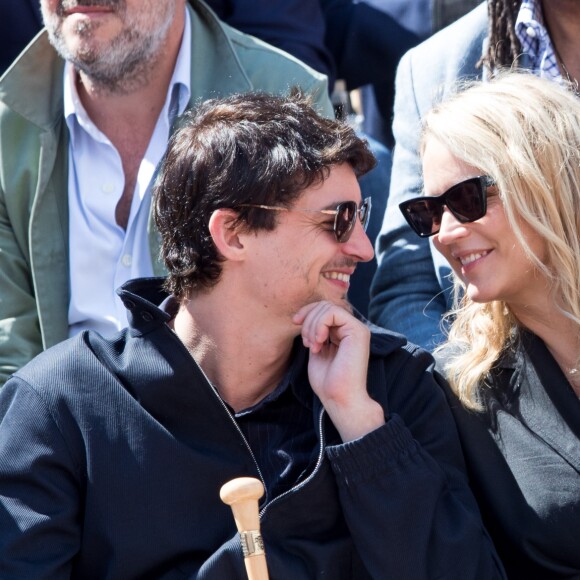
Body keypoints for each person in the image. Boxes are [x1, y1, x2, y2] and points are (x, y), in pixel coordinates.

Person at [0, 92, 505, 579]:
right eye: (339, 220)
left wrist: (364, 431)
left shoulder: (393, 387)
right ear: (233, 233)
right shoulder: (57, 407)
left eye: (361, 218)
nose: (364, 249)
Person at [0, 0, 332, 387]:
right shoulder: (9, 124)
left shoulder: (288, 99)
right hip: (57, 436)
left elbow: (302, 332)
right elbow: (9, 362)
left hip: (232, 435)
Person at [403, 73, 580, 577]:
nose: (446, 233)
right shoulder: (462, 392)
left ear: (548, 180)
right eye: (429, 212)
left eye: (468, 198)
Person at [369, 0, 580, 350]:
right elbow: (406, 288)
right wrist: (477, 391)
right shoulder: (433, 70)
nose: (447, 232)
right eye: (441, 208)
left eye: (468, 198)